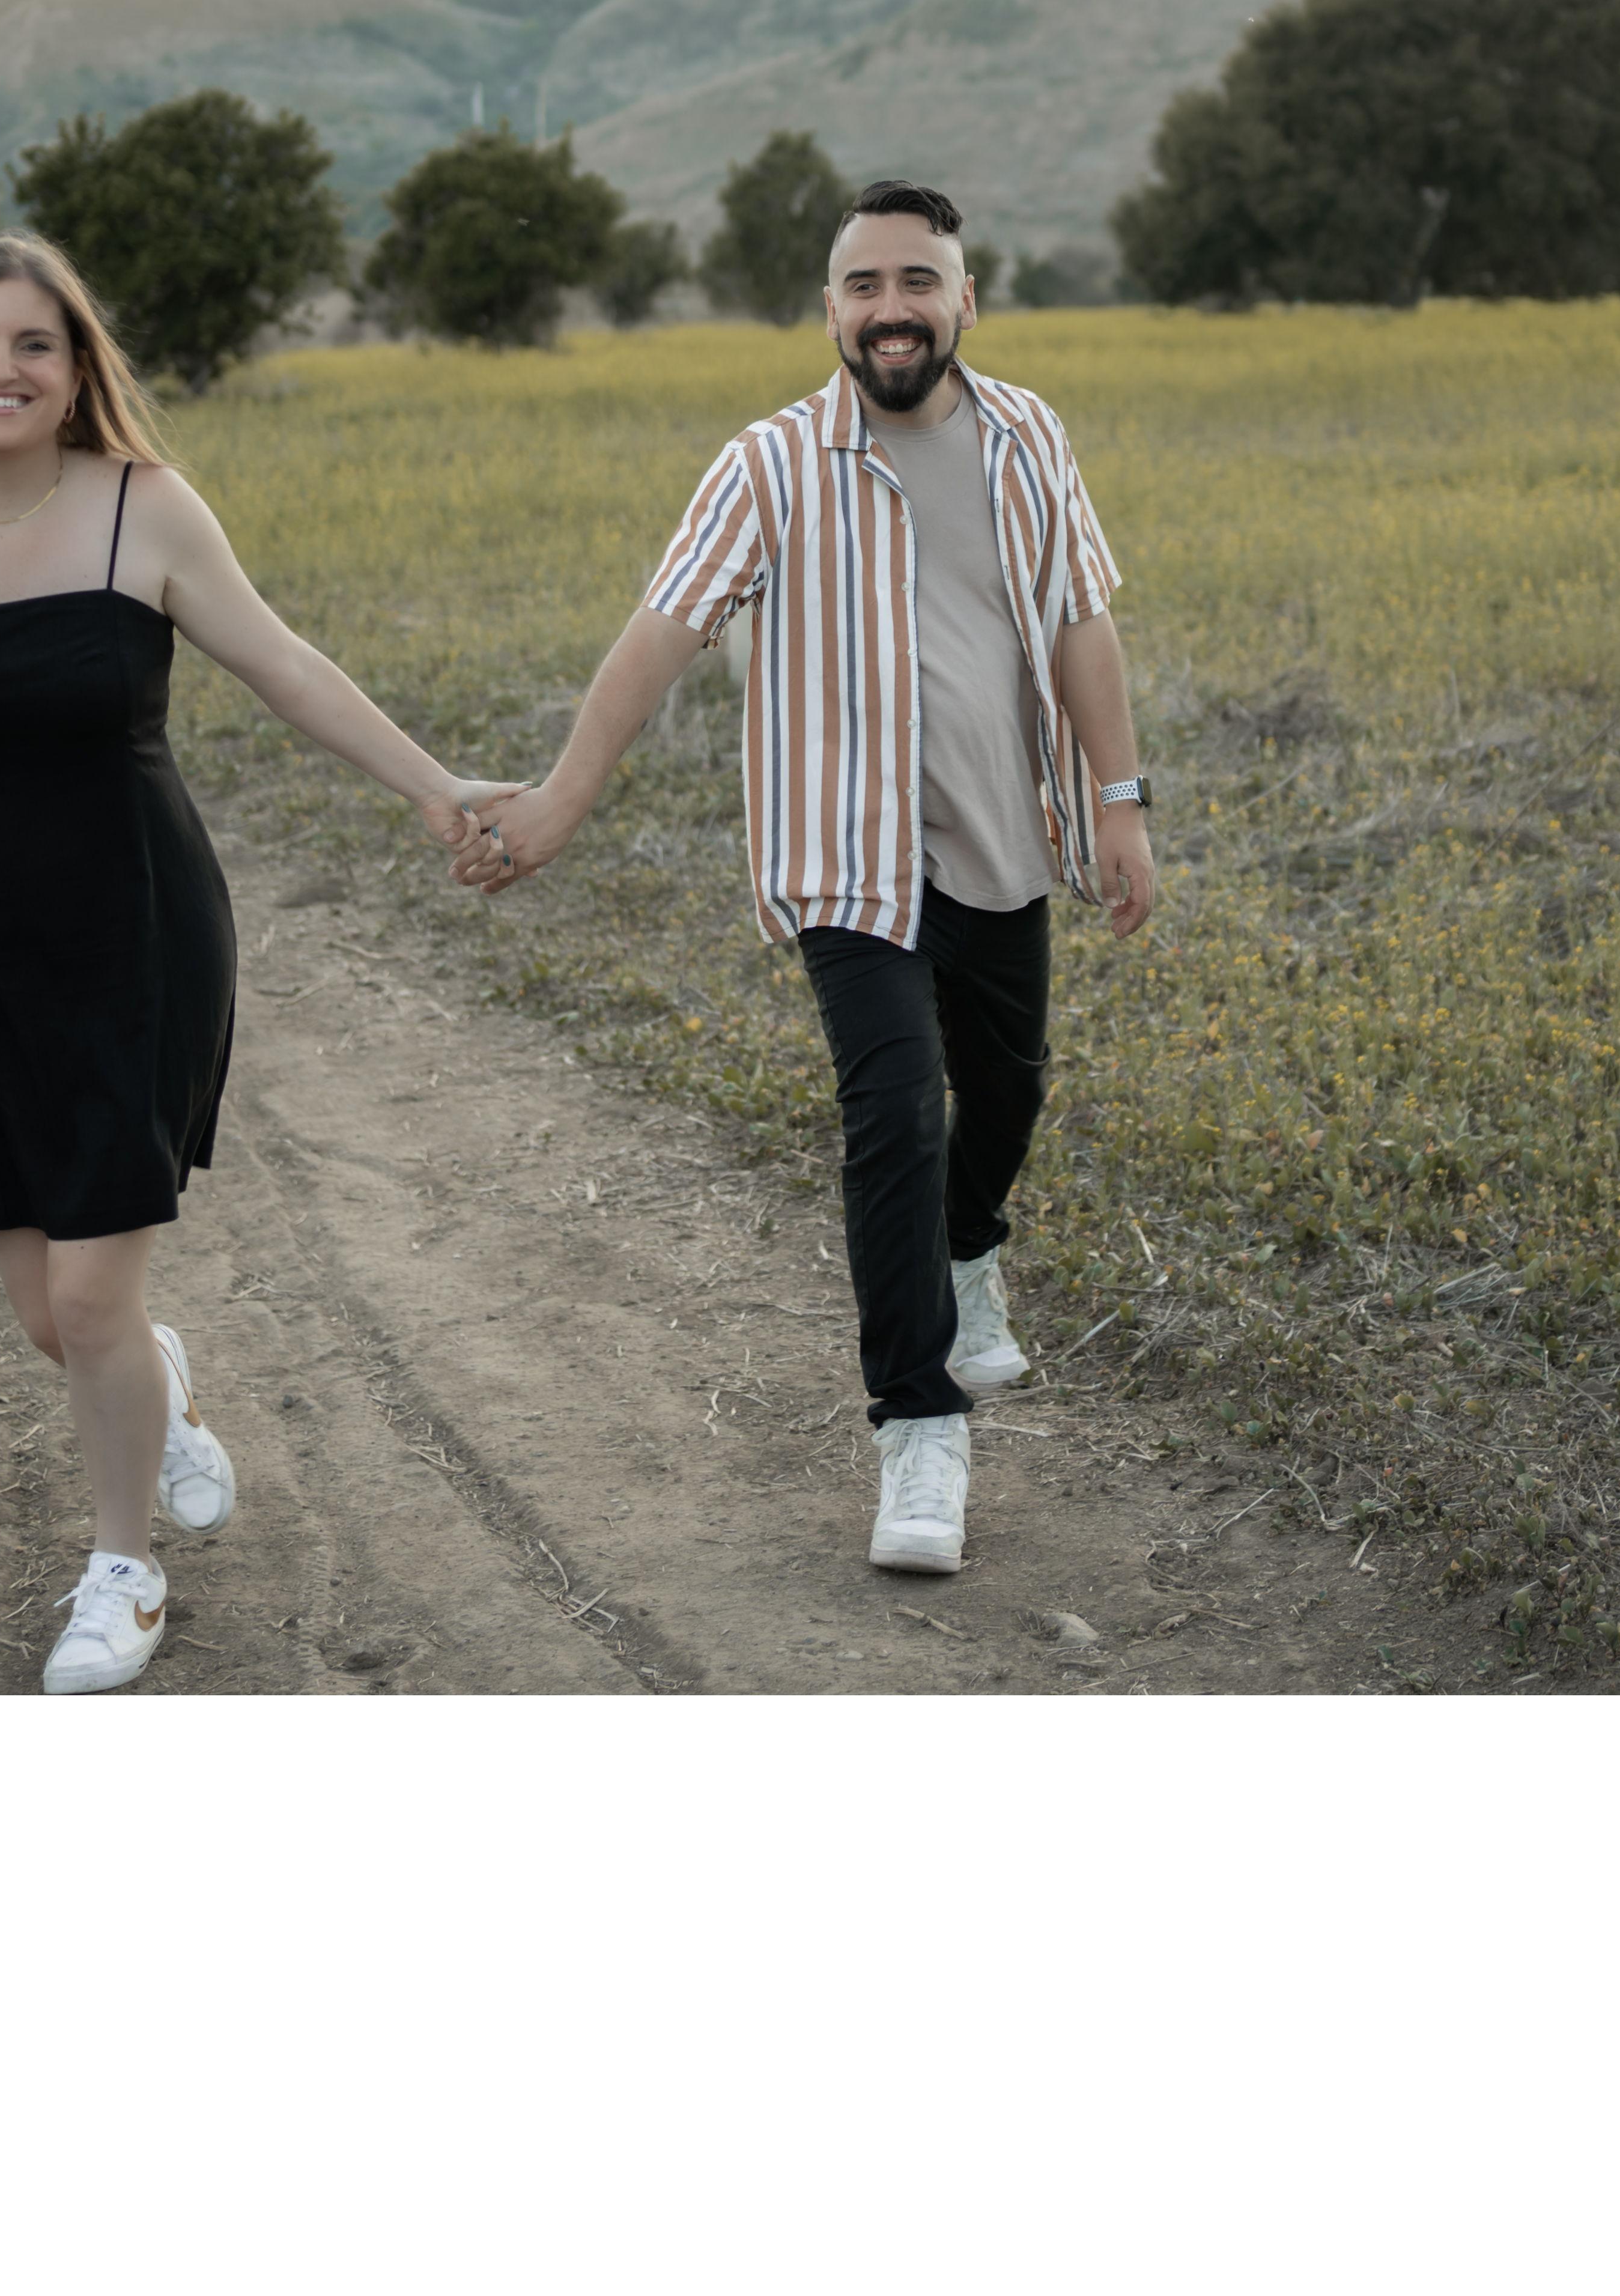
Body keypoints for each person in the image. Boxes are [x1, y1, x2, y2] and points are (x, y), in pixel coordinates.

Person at [0, 233, 506, 1694]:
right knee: (47, 1313)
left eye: (35, 345)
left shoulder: (145, 510)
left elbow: (288, 666)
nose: (2, 368)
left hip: (138, 934)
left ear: (76, 376)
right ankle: (162, 1396)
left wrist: (438, 787)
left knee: (89, 1303)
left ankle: (122, 1574)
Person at [458, 178, 1159, 1575]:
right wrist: (560, 801)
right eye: (864, 285)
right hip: (848, 859)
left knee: (1007, 1094)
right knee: (893, 1111)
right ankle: (919, 1425)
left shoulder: (1030, 437)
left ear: (966, 299)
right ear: (830, 308)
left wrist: (1120, 801)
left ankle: (968, 1251)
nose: (892, 309)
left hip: (1004, 841)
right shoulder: (770, 466)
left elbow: (1083, 620)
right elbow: (661, 633)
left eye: (918, 280)